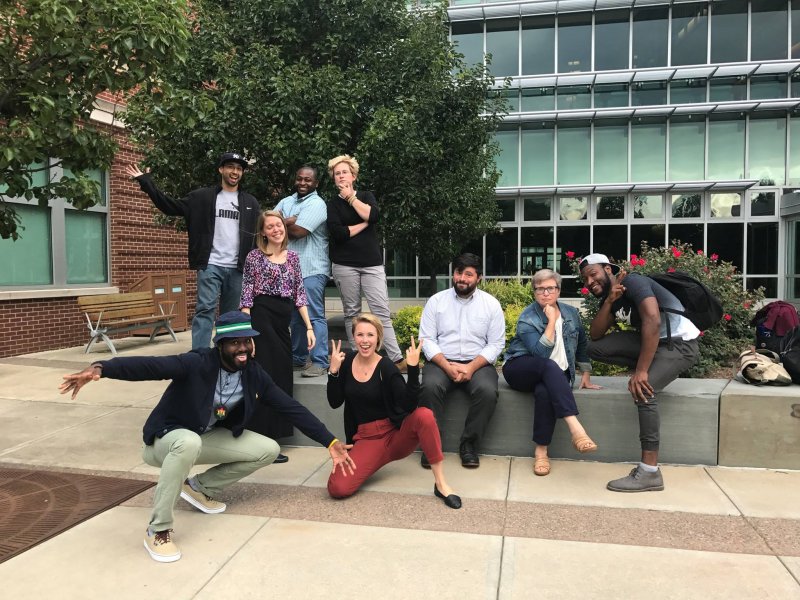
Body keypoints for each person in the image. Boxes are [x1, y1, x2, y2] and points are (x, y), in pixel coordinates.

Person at [58, 311, 355, 563]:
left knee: (267, 448)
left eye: (247, 341)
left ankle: (198, 487)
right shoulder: (197, 363)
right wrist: (102, 368)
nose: (243, 348)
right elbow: (149, 366)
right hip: (166, 441)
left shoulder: (253, 372)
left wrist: (329, 441)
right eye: (235, 342)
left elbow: (290, 408)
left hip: (203, 438)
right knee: (189, 442)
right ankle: (158, 530)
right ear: (220, 344)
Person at [579, 253, 700, 492]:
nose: (590, 282)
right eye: (585, 279)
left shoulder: (634, 282)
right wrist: (609, 301)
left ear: (607, 269)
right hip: (656, 344)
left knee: (645, 390)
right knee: (594, 349)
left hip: (679, 344)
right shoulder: (613, 295)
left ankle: (649, 472)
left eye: (593, 274)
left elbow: (653, 320)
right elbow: (595, 336)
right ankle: (649, 368)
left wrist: (643, 371)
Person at [125, 152, 260, 350]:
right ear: (221, 169)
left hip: (237, 268)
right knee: (205, 309)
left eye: (239, 168)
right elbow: (170, 206)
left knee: (231, 315)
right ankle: (200, 355)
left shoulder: (250, 202)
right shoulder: (201, 197)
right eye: (230, 167)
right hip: (211, 264)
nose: (235, 171)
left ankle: (225, 354)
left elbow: (257, 235)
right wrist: (146, 184)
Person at [326, 313, 461, 509]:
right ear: (353, 337)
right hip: (366, 439)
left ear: (378, 338)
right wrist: (333, 372)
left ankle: (441, 483)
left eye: (370, 335)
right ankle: (372, 462)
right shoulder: (346, 363)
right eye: (360, 335)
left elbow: (407, 405)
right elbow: (334, 402)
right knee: (337, 488)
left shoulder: (386, 367)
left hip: (394, 434)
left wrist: (413, 370)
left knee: (424, 414)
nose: (365, 341)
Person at [503, 269, 600, 476]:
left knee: (545, 391)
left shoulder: (571, 313)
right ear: (534, 292)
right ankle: (577, 429)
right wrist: (551, 322)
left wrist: (586, 372)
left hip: (555, 375)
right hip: (521, 369)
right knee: (548, 366)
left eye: (550, 288)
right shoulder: (527, 318)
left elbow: (581, 342)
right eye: (540, 289)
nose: (545, 293)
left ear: (558, 290)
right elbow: (540, 353)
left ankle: (541, 452)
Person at [417, 253, 505, 469]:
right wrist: (447, 366)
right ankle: (431, 446)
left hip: (478, 363)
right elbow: (427, 339)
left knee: (487, 391)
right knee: (428, 387)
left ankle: (469, 446)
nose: (462, 278)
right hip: (441, 361)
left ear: (479, 278)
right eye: (458, 272)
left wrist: (470, 367)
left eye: (468, 274)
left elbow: (495, 344)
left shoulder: (491, 305)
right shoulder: (436, 301)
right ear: (453, 274)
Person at [240, 210, 314, 461]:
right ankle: (258, 440)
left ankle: (274, 439)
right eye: (269, 226)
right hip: (261, 318)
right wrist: (247, 333)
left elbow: (300, 294)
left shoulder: (293, 258)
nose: (275, 229)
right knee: (264, 377)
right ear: (263, 232)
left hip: (283, 321)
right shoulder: (254, 257)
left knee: (282, 378)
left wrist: (309, 327)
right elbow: (247, 295)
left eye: (278, 225)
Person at [326, 154, 406, 372]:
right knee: (352, 313)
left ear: (353, 175)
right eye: (337, 173)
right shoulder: (332, 204)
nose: (341, 175)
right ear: (334, 178)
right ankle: (358, 358)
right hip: (344, 265)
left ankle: (398, 359)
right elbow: (339, 233)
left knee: (381, 311)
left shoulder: (366, 195)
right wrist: (366, 222)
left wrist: (351, 199)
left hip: (371, 264)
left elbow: (374, 214)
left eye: (344, 172)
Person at [274, 165, 330, 378]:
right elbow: (270, 226)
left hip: (312, 269)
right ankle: (297, 359)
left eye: (308, 180)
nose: (303, 183)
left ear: (316, 183)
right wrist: (289, 219)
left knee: (313, 316)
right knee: (295, 318)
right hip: (287, 271)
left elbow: (298, 232)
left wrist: (286, 222)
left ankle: (319, 361)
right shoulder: (286, 201)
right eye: (300, 179)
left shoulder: (317, 203)